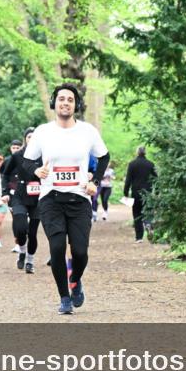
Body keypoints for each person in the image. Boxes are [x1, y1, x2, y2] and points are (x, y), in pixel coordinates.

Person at [24, 83, 109, 315]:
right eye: (61, 99)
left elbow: (103, 157)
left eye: (70, 100)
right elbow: (27, 160)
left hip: (79, 198)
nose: (65, 103)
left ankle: (76, 280)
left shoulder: (88, 131)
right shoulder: (43, 131)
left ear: (76, 105)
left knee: (80, 251)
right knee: (57, 247)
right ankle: (64, 297)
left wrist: (95, 181)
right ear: (54, 103)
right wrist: (35, 171)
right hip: (51, 199)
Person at [0, 128, 41, 273]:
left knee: (33, 232)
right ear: (25, 139)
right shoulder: (18, 156)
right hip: (20, 195)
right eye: (29, 136)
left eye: (35, 136)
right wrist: (5, 192)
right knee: (21, 228)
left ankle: (30, 261)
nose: (32, 139)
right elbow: (5, 175)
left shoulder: (44, 155)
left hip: (38, 197)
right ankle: (22, 251)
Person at [124, 146, 157, 243]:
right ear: (145, 153)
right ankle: (148, 224)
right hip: (148, 193)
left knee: (137, 214)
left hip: (136, 193)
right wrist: (157, 192)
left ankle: (139, 237)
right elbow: (156, 179)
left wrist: (125, 192)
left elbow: (128, 180)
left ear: (137, 152)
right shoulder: (150, 164)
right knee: (148, 211)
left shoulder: (132, 164)